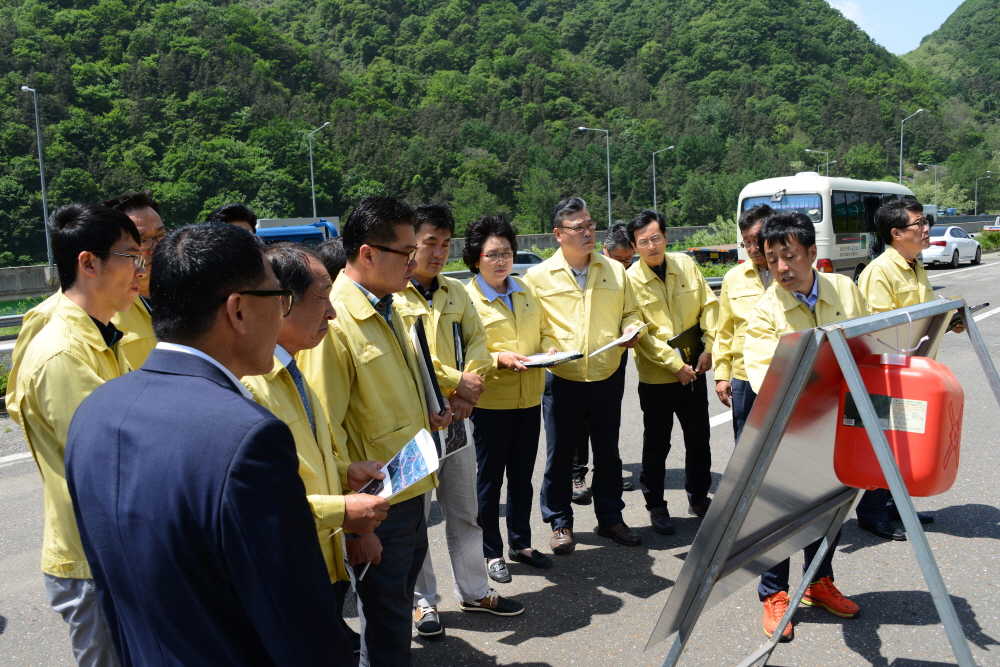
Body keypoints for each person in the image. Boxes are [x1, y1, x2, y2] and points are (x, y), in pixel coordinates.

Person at [64, 222, 353, 665]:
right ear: (237, 311)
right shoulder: (248, 435)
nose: (282, 312)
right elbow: (296, 617)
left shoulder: (96, 411)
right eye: (279, 299)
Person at [296, 196, 453, 667]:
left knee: (395, 618)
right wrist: (354, 524)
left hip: (410, 487)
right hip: (377, 501)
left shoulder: (389, 306)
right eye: (405, 253)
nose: (415, 261)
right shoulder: (334, 321)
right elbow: (324, 430)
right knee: (384, 629)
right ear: (367, 254)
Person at [7, 203, 146, 666]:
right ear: (89, 263)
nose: (140, 269)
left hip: (115, 551)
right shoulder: (64, 353)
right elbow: (116, 459)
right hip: (95, 560)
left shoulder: (104, 336)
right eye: (131, 256)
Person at [241, 243, 391, 654]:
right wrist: (345, 512)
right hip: (292, 563)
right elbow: (261, 500)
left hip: (323, 553)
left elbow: (305, 455)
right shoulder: (250, 387)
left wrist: (346, 472)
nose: (332, 311)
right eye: (322, 297)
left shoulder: (293, 368)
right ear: (282, 303)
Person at [393, 205, 523, 637]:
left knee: (465, 512)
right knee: (417, 520)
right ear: (412, 244)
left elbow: (480, 344)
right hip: (415, 423)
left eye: (445, 244)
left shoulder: (455, 292)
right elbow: (415, 357)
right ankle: (423, 604)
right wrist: (455, 384)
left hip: (458, 421)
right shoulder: (393, 295)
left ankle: (475, 591)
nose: (438, 253)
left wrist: (469, 388)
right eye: (430, 243)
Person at [743, 212, 870, 642]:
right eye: (772, 258)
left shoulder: (846, 290)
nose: (781, 267)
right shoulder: (765, 310)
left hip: (840, 421)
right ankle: (774, 594)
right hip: (792, 426)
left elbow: (868, 346)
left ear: (813, 254)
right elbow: (766, 378)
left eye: (790, 256)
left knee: (831, 508)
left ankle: (818, 582)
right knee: (780, 514)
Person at [526, 197, 645, 553]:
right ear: (558, 234)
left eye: (591, 225)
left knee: (608, 453)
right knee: (560, 455)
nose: (589, 232)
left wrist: (632, 328)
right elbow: (534, 326)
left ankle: (610, 518)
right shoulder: (537, 277)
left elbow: (631, 311)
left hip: (607, 373)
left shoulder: (615, 270)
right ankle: (560, 523)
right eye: (579, 227)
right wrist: (545, 347)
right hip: (562, 378)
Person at [464, 215, 555, 587]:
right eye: (493, 254)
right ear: (476, 259)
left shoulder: (525, 289)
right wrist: (499, 357)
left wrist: (549, 348)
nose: (502, 261)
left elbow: (544, 329)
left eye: (507, 253)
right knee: (488, 483)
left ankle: (521, 543)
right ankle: (490, 552)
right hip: (491, 404)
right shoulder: (466, 298)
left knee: (521, 478)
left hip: (528, 398)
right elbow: (469, 350)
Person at [625, 209, 719, 535]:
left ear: (666, 237)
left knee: (699, 438)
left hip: (695, 368)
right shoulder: (630, 281)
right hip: (658, 378)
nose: (652, 246)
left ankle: (698, 496)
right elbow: (641, 334)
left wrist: (709, 348)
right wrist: (674, 364)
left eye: (656, 238)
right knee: (657, 444)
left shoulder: (687, 266)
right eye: (643, 241)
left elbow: (709, 306)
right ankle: (656, 505)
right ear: (635, 246)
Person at [854, 198, 939, 541]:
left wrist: (948, 322)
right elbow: (881, 330)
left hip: (914, 369)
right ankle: (871, 513)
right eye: (920, 223)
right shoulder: (880, 271)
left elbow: (923, 313)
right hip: (889, 373)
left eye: (925, 221)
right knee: (884, 444)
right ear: (896, 233)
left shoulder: (915, 264)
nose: (926, 228)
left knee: (904, 442)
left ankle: (893, 505)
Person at [571, 221, 635, 502]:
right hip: (578, 360)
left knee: (608, 421)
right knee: (579, 421)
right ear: (605, 249)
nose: (624, 264)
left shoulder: (622, 275)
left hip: (613, 355)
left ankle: (608, 472)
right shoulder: (586, 270)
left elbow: (630, 311)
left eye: (629, 259)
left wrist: (630, 328)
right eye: (619, 258)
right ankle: (576, 473)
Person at [713, 204, 774, 441]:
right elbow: (724, 331)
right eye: (746, 242)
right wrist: (721, 375)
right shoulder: (734, 278)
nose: (752, 248)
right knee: (746, 441)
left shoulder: (791, 273)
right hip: (745, 374)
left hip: (784, 372)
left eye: (756, 240)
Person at [104, 191, 166, 369]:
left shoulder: (189, 295)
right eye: (142, 240)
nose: (155, 248)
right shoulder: (98, 309)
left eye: (160, 236)